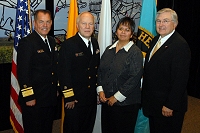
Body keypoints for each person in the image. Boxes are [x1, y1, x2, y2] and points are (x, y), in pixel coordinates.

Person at [142, 8, 191, 133]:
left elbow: (180, 79)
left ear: (175, 23)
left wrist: (170, 105)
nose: (161, 24)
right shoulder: (155, 40)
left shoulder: (180, 45)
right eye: (158, 21)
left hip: (168, 108)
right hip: (154, 104)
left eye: (165, 21)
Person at [97, 17, 143, 133]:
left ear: (132, 34)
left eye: (127, 30)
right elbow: (101, 71)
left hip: (126, 104)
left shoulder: (135, 52)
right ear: (116, 31)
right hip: (107, 101)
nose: (123, 32)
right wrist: (100, 90)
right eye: (120, 29)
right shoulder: (109, 49)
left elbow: (134, 78)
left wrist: (116, 97)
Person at [17, 9, 58, 133]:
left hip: (49, 97)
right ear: (35, 23)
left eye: (47, 22)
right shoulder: (27, 42)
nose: (45, 25)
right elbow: (23, 72)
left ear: (51, 23)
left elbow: (53, 68)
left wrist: (55, 89)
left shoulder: (51, 41)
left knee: (46, 128)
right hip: (34, 99)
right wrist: (29, 96)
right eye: (41, 22)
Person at [58, 11, 100, 133]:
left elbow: (95, 69)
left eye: (90, 24)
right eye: (84, 23)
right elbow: (63, 72)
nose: (87, 27)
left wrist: (97, 92)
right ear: (77, 25)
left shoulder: (95, 43)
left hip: (91, 97)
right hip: (75, 99)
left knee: (87, 127)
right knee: (73, 129)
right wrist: (69, 96)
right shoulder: (69, 45)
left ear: (94, 26)